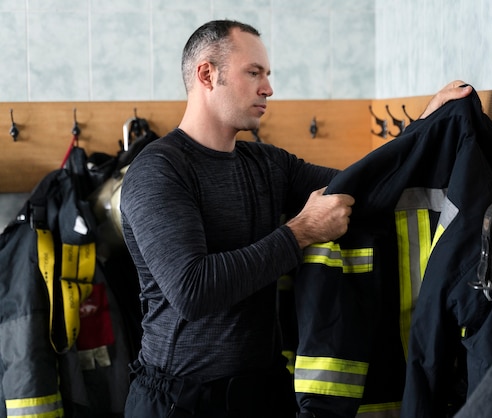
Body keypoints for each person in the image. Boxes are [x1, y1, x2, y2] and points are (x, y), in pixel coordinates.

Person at [120, 19, 472, 418]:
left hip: (265, 391)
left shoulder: (267, 163)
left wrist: (424, 127)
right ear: (207, 74)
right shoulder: (159, 170)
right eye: (253, 73)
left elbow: (362, 186)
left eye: (267, 75)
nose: (268, 87)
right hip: (179, 402)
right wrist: (300, 232)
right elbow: (193, 290)